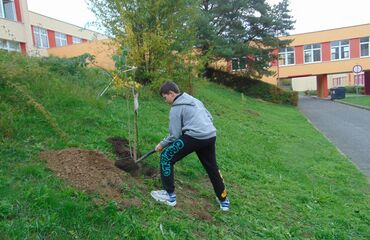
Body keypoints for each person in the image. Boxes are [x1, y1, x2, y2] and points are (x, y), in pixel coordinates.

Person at [150, 81, 230, 211]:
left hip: (195, 136)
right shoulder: (194, 100)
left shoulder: (176, 108)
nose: (165, 101)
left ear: (171, 94)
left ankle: (169, 195)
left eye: (165, 97)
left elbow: (175, 135)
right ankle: (223, 199)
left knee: (166, 156)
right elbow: (210, 117)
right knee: (212, 167)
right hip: (210, 135)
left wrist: (161, 145)